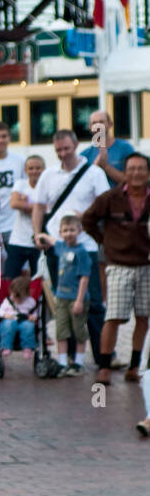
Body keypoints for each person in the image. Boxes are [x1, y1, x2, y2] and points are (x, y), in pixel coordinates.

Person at [33, 129, 110, 372]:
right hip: (57, 246)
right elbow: (38, 206)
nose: (63, 154)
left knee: (94, 302)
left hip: (85, 246)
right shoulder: (48, 175)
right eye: (58, 150)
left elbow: (106, 205)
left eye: (66, 149)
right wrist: (37, 233)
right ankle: (70, 360)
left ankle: (102, 358)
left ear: (75, 145)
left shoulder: (94, 173)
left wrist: (87, 216)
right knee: (64, 302)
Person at [81, 152, 150, 386]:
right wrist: (105, 242)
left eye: (141, 169)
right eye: (132, 168)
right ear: (125, 172)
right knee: (113, 317)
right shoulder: (110, 198)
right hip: (119, 265)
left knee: (143, 317)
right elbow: (87, 220)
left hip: (147, 266)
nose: (136, 173)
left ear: (148, 173)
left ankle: (134, 365)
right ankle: (104, 365)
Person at [50, 214, 93, 376]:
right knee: (61, 330)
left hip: (76, 298)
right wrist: (41, 237)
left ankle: (78, 363)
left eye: (72, 230)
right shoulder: (61, 247)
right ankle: (62, 363)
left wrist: (79, 300)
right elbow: (52, 241)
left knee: (78, 330)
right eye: (65, 230)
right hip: (61, 297)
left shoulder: (81, 252)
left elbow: (84, 277)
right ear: (60, 232)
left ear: (79, 231)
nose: (68, 233)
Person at [2, 155, 46, 280]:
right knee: (9, 278)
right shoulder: (20, 184)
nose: (34, 171)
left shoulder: (47, 186)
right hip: (18, 240)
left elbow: (49, 208)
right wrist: (38, 206)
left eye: (38, 168)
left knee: (38, 280)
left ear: (44, 169)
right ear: (26, 170)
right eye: (31, 168)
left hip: (38, 241)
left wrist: (26, 204)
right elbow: (14, 203)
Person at [0, 120, 26, 243]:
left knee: (13, 262)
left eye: (4, 136)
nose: (0, 140)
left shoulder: (20, 161)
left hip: (15, 225)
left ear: (9, 138)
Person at [81, 108, 136, 187]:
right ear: (90, 127)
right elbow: (83, 185)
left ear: (110, 124)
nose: (98, 125)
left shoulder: (125, 148)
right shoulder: (84, 155)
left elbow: (132, 180)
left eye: (101, 122)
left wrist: (106, 167)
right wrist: (96, 165)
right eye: (94, 123)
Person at [0, 274, 38, 357]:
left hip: (24, 320)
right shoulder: (8, 301)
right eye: (15, 296)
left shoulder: (30, 302)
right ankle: (6, 346)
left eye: (20, 298)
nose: (17, 299)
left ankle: (27, 347)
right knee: (7, 325)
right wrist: (5, 315)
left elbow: (34, 312)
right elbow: (0, 311)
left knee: (29, 326)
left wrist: (33, 317)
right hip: (10, 319)